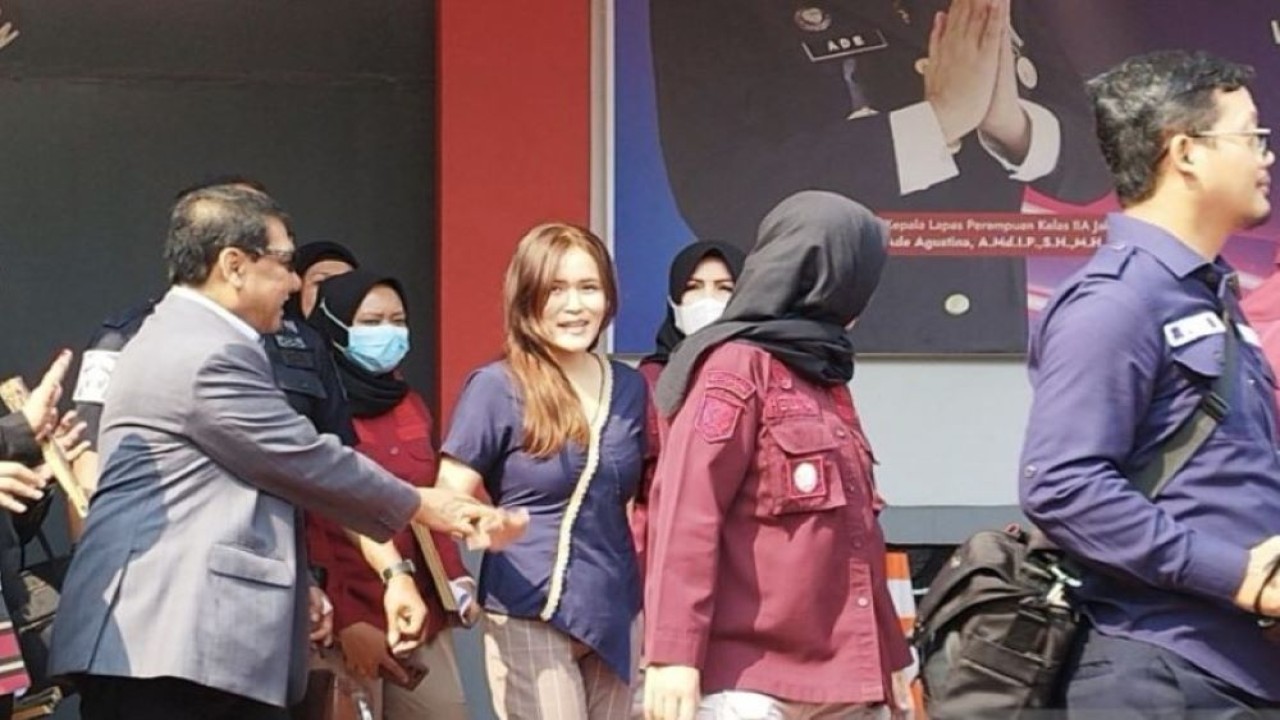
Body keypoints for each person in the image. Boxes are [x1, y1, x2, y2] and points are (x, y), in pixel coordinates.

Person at [48, 185, 526, 720]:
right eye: (284, 262)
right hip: (170, 641)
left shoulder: (192, 338)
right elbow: (302, 457)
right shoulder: (204, 352)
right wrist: (430, 505)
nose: (296, 282)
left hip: (188, 643)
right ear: (233, 264)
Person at [1019, 50, 1280, 715]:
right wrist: (1237, 575)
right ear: (1186, 152)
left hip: (1236, 668)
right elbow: (1062, 487)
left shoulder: (1204, 299)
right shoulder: (1116, 302)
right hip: (1162, 671)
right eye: (1252, 136)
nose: (1266, 157)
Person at [647, 0, 1112, 353]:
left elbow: (1095, 159)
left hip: (986, 337)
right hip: (826, 347)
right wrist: (938, 122)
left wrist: (1009, 125)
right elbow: (721, 192)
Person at [642, 190, 911, 720]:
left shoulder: (823, 375)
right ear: (830, 274)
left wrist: (890, 655)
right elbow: (687, 515)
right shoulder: (735, 369)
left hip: (843, 678)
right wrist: (672, 653)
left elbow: (858, 533)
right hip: (750, 679)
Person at [437, 223, 646, 720]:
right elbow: (447, 496)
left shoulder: (631, 387)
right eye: (556, 289)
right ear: (527, 297)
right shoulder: (497, 386)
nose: (575, 306)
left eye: (588, 288)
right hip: (530, 607)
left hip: (615, 609)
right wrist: (488, 524)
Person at [70, 182, 359, 501]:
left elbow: (333, 463)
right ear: (231, 262)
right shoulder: (123, 337)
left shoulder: (300, 340)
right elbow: (89, 461)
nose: (294, 281)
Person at [307, 269, 474, 720]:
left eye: (397, 320)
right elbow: (315, 518)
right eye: (371, 321)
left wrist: (456, 580)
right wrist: (345, 621)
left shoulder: (408, 403)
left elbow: (427, 501)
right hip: (348, 616)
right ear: (336, 326)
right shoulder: (315, 407)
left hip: (418, 615)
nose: (388, 332)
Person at [631, 241, 745, 575]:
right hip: (661, 563)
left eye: (724, 289)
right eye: (694, 288)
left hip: (743, 568)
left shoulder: (765, 376)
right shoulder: (647, 383)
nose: (708, 300)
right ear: (673, 301)